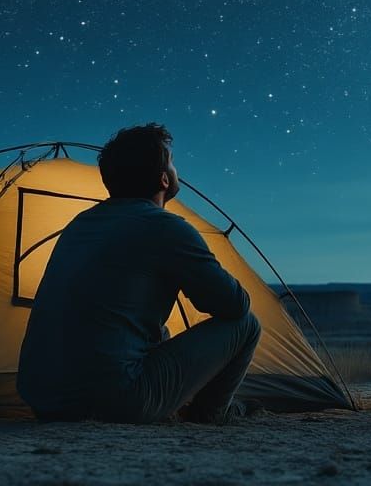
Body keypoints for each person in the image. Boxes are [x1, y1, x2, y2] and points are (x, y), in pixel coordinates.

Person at [17, 123, 261, 424]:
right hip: (115, 399)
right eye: (171, 162)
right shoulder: (167, 227)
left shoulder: (79, 224)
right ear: (163, 178)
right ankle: (210, 413)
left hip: (43, 400)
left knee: (157, 333)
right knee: (247, 324)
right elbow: (234, 305)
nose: (175, 169)